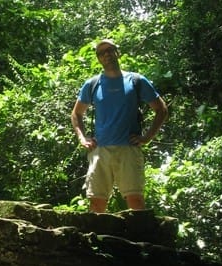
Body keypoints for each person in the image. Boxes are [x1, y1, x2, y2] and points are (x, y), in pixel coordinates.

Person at [71, 39, 168, 212]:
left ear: (117, 52)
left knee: (136, 201)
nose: (106, 54)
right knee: (96, 203)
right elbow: (76, 113)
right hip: (100, 150)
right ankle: (98, 231)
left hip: (129, 149)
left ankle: (140, 231)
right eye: (101, 53)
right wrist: (82, 138)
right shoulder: (92, 84)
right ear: (98, 58)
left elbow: (161, 109)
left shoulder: (136, 80)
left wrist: (147, 137)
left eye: (109, 50)